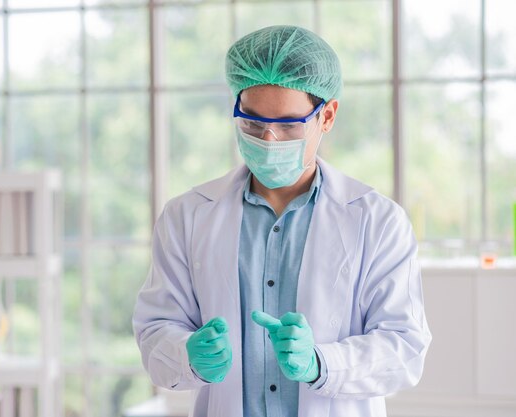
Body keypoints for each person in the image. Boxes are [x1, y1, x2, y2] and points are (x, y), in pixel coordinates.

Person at [133, 25, 431, 417]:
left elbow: (404, 346)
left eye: (289, 125)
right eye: (253, 123)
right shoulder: (186, 216)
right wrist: (187, 354)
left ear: (327, 116)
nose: (269, 140)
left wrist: (321, 363)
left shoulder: (377, 221)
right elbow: (155, 330)